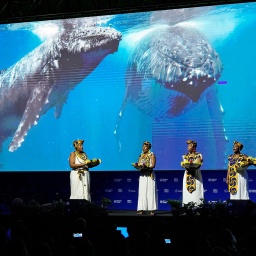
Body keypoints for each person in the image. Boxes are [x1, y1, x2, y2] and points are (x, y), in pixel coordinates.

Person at [132, 141, 158, 215]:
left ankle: (152, 210)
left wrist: (147, 167)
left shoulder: (152, 155)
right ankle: (142, 209)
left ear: (149, 147)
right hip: (142, 175)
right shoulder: (141, 155)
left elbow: (153, 165)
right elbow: (139, 164)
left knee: (150, 191)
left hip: (149, 175)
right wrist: (137, 166)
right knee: (142, 191)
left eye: (145, 146)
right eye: (143, 146)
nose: (144, 147)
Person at [181, 140, 204, 205]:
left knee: (196, 192)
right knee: (187, 193)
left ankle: (197, 208)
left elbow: (199, 164)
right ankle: (186, 207)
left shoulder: (198, 155)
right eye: (188, 145)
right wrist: (186, 166)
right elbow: (184, 164)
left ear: (193, 146)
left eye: (189, 145)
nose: (188, 147)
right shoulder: (185, 155)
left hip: (196, 176)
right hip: (187, 175)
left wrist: (193, 167)